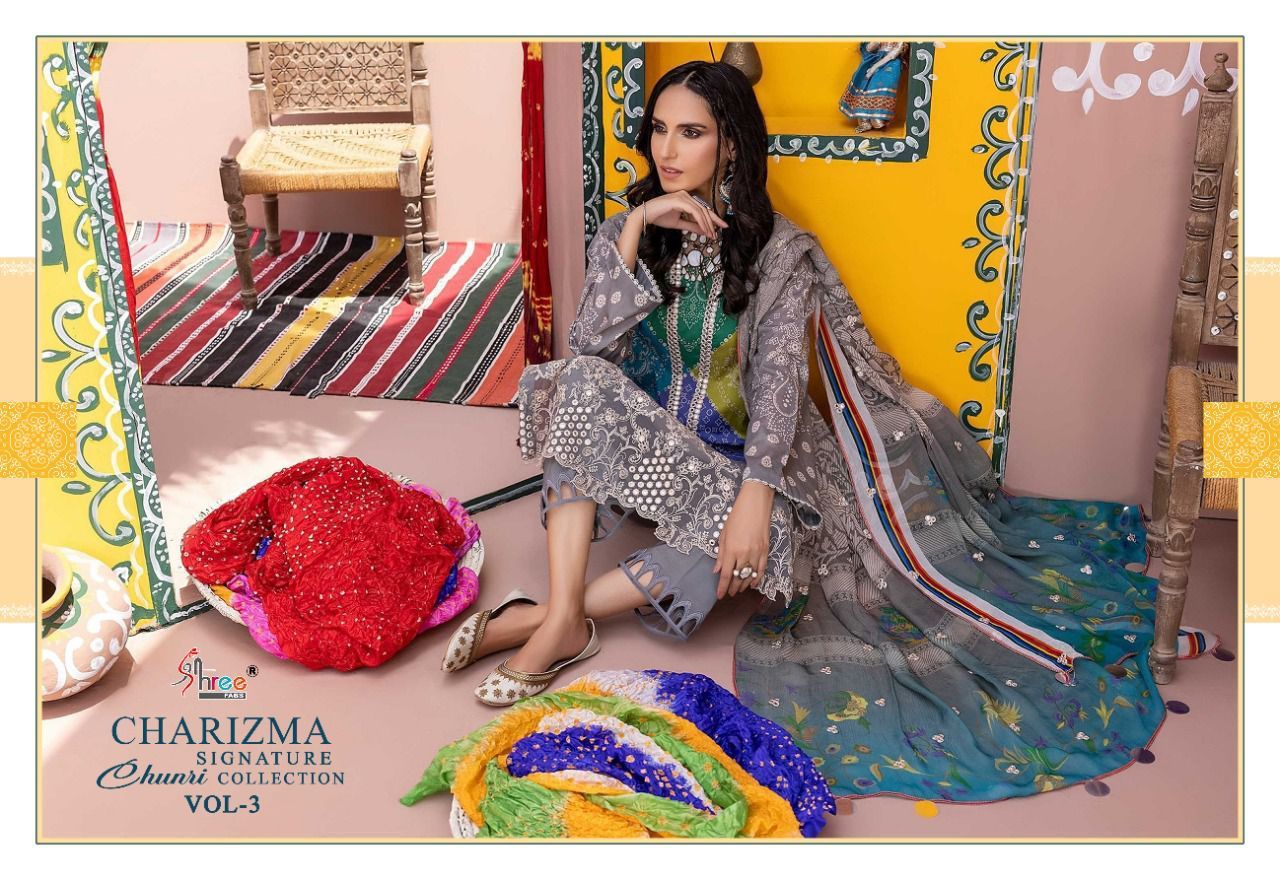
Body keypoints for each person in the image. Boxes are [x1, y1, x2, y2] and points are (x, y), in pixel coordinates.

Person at [442, 60, 1171, 806]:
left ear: (730, 144)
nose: (667, 150)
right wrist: (633, 228)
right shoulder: (629, 233)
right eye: (659, 129)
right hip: (653, 453)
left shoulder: (779, 252)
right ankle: (563, 617)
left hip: (748, 471)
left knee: (741, 552)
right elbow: (591, 353)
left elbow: (780, 389)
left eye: (691, 132)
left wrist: (756, 498)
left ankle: (551, 619)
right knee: (575, 382)